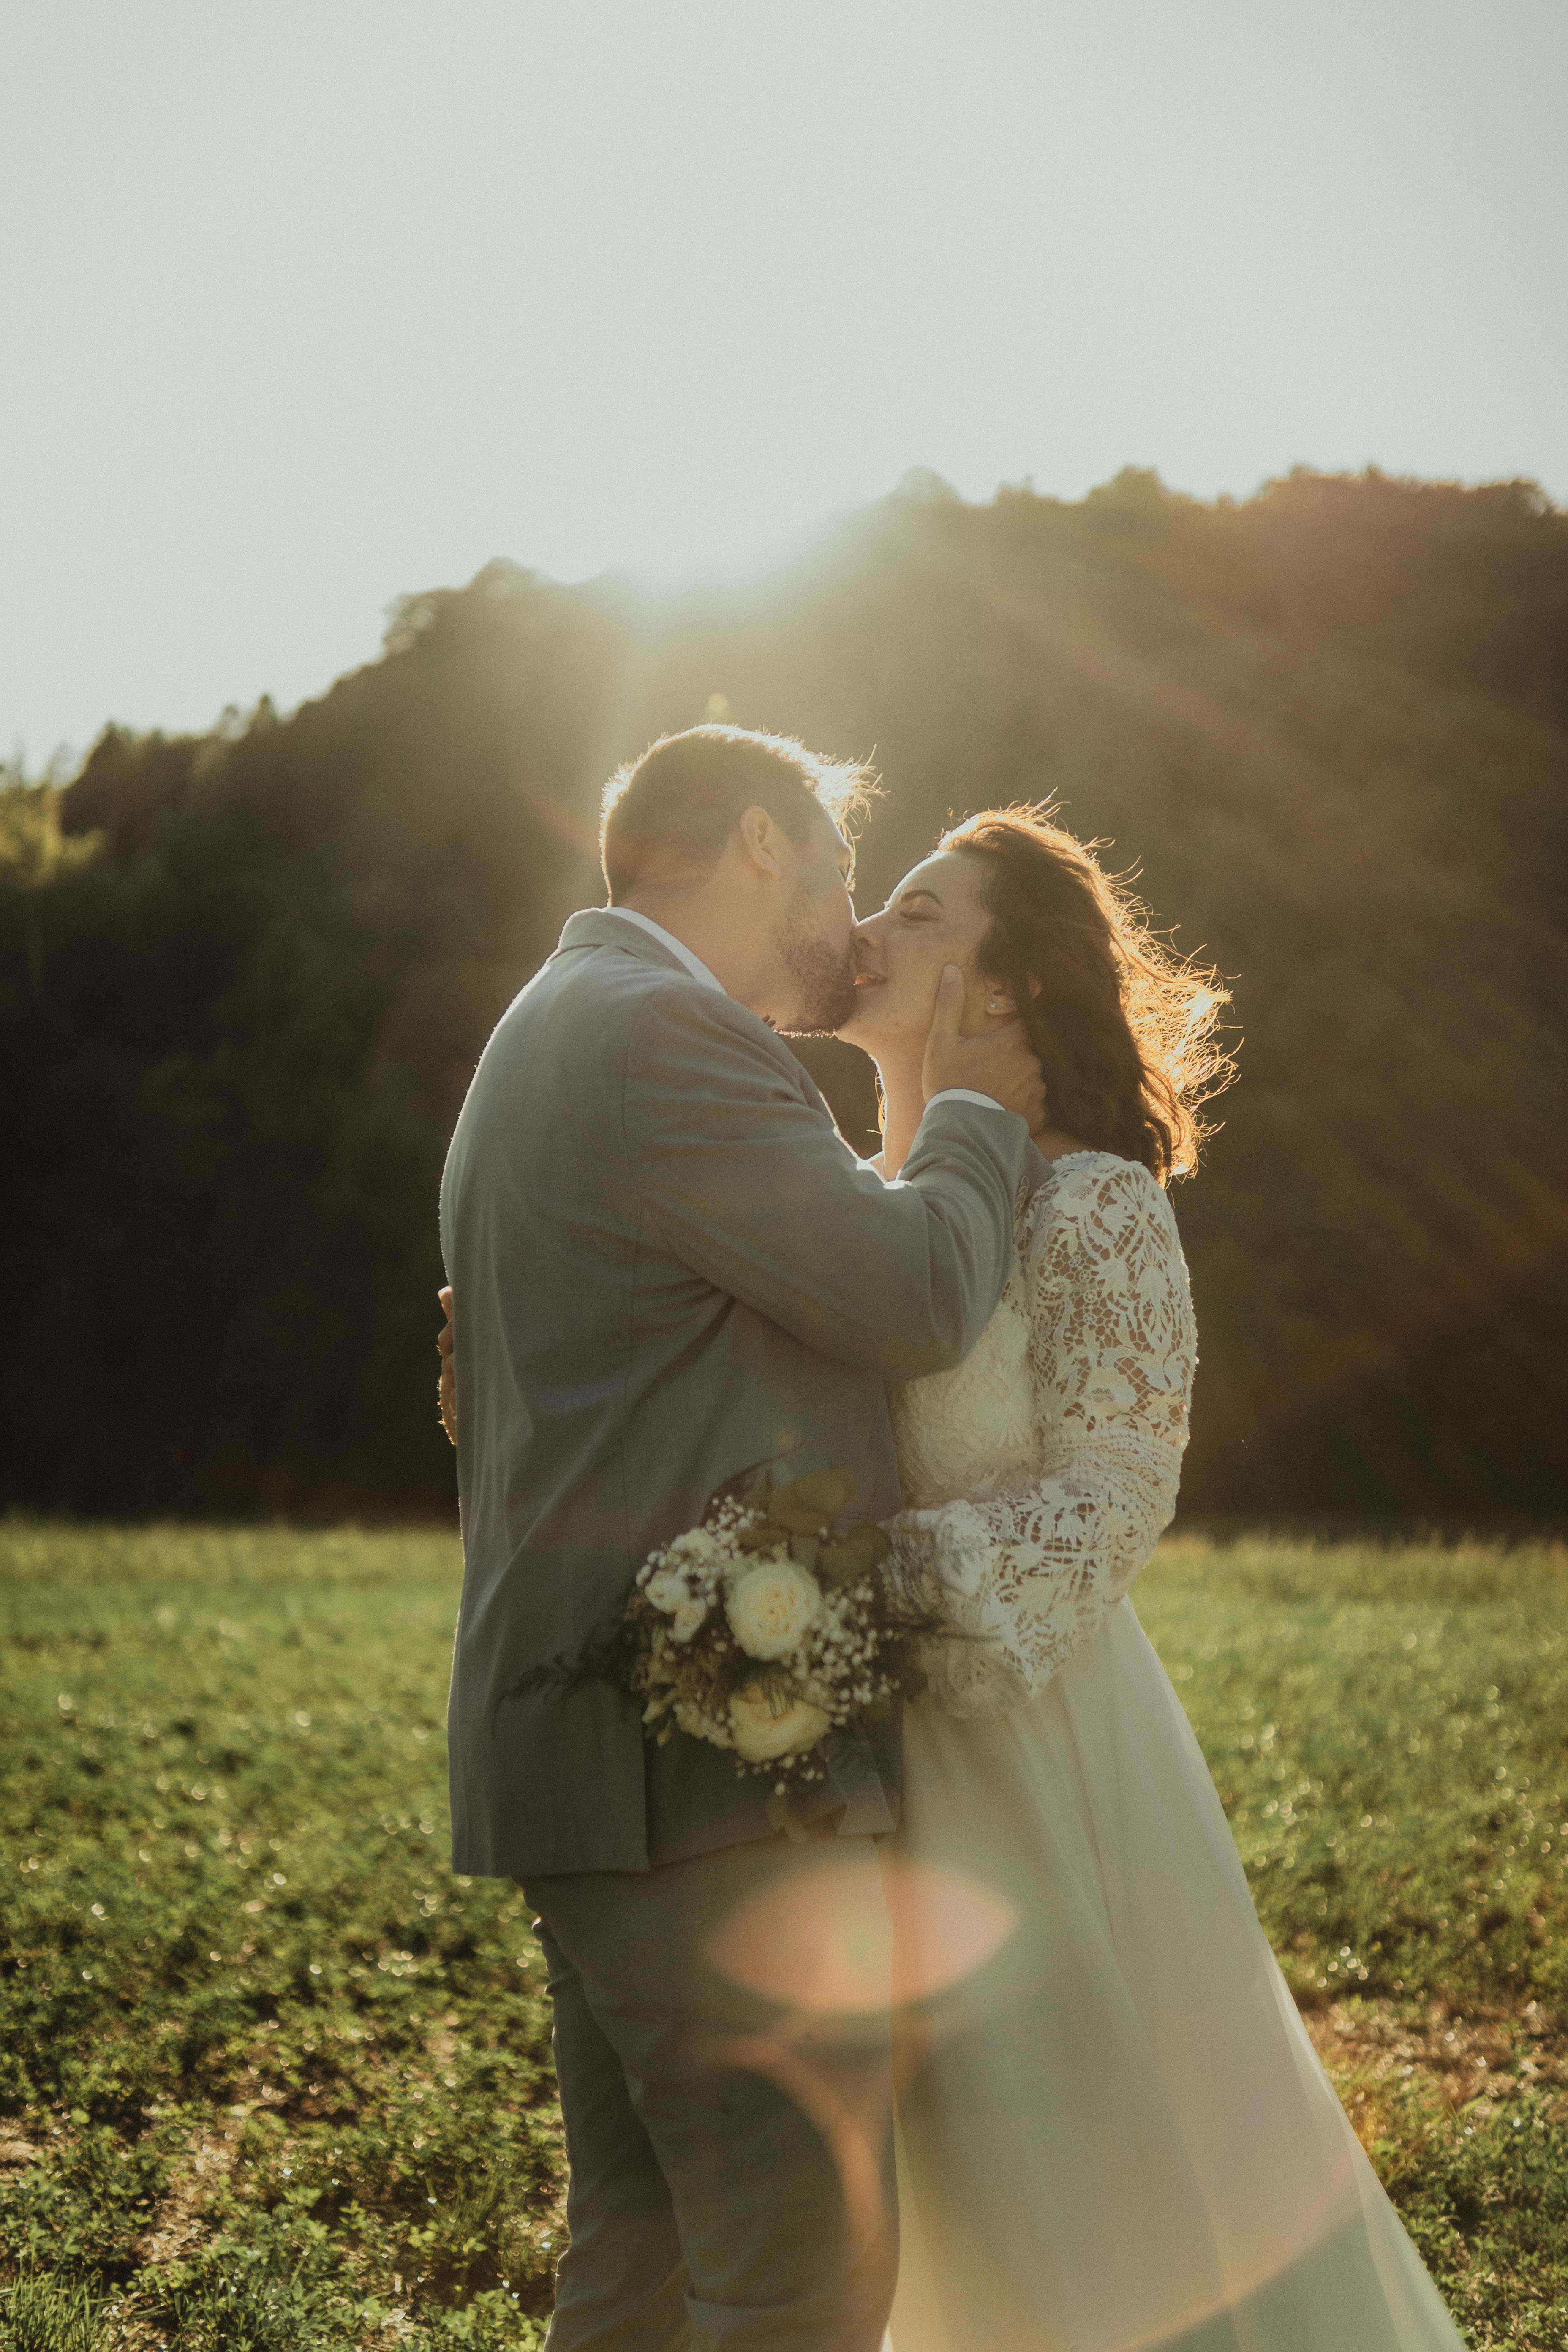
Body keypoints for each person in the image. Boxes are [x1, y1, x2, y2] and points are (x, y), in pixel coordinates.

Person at [437, 726, 1046, 2352]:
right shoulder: (664, 1033)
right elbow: (916, 1294)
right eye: (844, 874)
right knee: (801, 2280)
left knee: (636, 2279)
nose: (852, 924)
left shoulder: (552, 1021)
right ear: (765, 844)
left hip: (592, 1761)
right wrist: (972, 1110)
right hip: (696, 1774)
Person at [837, 807, 1465, 2351]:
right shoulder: (846, 1201)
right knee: (913, 2210)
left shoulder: (1092, 1200)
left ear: (1002, 987)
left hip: (1035, 1745)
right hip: (853, 1751)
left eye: (919, 912)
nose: (869, 931)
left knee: (1072, 2190)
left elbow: (1119, 1494)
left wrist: (867, 1582)